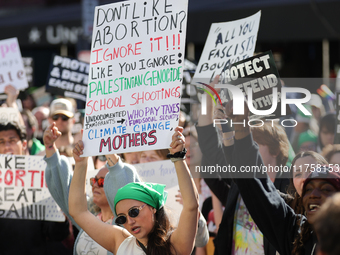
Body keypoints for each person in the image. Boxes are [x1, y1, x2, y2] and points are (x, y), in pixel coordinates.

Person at [225, 99, 340, 255]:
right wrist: (241, 129)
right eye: (309, 189)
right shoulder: (296, 235)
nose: (314, 195)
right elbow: (255, 186)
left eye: (325, 189)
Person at [196, 76, 290, 255]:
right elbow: (209, 147)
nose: (247, 145)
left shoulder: (291, 187)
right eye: (245, 139)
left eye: (254, 141)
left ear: (276, 150)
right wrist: (208, 95)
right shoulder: (240, 183)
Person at [69, 127, 199, 255]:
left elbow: (191, 206)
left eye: (134, 212)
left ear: (152, 207)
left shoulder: (175, 245)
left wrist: (178, 158)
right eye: (121, 219)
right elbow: (78, 212)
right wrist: (81, 164)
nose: (129, 221)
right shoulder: (120, 240)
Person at [44, 122, 140, 255]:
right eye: (94, 180)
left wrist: (107, 149)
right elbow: (65, 190)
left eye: (102, 181)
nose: (95, 185)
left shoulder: (127, 224)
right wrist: (50, 148)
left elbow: (123, 179)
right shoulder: (89, 216)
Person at [0, 121, 71, 254]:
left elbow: (56, 234)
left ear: (24, 144)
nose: (7, 147)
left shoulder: (39, 178)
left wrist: (60, 216)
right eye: (1, 142)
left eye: (12, 140)